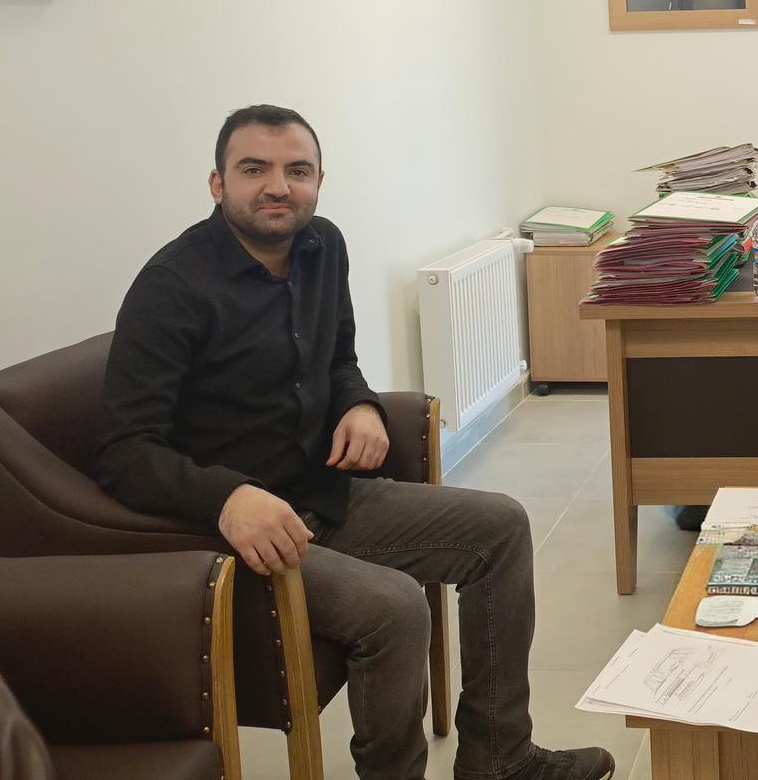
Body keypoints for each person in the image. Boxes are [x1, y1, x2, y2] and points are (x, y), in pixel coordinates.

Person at [96, 105, 614, 780]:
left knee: (501, 527)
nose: (277, 186)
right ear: (218, 184)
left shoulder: (322, 245)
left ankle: (499, 757)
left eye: (297, 170)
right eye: (254, 169)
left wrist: (360, 404)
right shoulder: (172, 286)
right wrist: (228, 498)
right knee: (394, 607)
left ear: (318, 181)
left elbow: (338, 358)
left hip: (322, 496)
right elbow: (123, 450)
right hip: (235, 539)